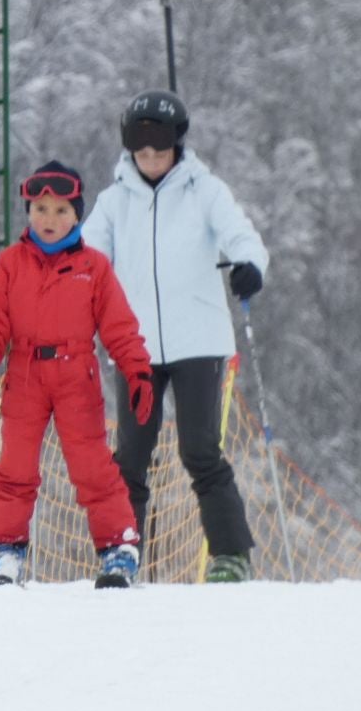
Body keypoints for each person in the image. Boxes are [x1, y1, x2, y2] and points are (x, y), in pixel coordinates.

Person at [82, 89, 270, 583]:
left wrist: (250, 266)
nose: (150, 162)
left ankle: (230, 555)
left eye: (159, 153)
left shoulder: (203, 190)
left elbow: (241, 234)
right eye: (142, 154)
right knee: (132, 456)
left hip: (199, 341)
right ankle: (120, 554)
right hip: (135, 345)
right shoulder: (114, 200)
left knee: (200, 450)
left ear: (177, 148)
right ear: (130, 152)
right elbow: (86, 257)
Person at [0, 161, 153, 589]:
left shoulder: (93, 267)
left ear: (77, 215)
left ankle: (117, 549)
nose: (49, 219)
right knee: (15, 467)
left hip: (75, 375)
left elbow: (120, 327)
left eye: (61, 210)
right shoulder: (11, 264)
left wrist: (137, 372)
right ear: (29, 211)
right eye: (41, 209)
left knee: (92, 467)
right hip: (25, 375)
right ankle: (7, 552)